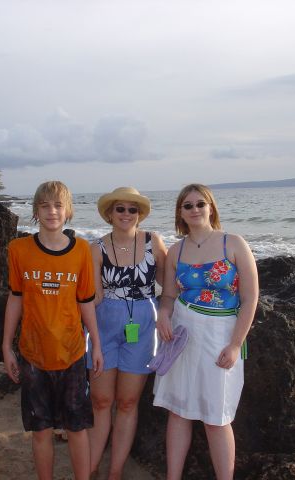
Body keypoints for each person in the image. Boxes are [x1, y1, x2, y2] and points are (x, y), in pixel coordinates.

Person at [153, 183, 259, 480]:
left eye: (200, 203)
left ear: (211, 207)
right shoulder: (176, 251)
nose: (195, 209)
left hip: (220, 336)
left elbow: (250, 298)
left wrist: (235, 344)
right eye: (187, 205)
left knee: (216, 416)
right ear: (180, 213)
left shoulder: (233, 243)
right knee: (178, 411)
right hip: (182, 336)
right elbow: (169, 295)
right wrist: (163, 314)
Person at [2, 180, 103, 480]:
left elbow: (86, 302)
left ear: (68, 210)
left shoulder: (81, 250)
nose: (52, 211)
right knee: (41, 430)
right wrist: (6, 346)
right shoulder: (18, 249)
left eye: (58, 205)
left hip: (72, 353)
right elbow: (15, 298)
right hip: (33, 354)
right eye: (44, 206)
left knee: (77, 428)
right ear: (36, 211)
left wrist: (97, 345)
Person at [86, 186, 167, 479]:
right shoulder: (96, 248)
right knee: (101, 402)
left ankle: (115, 471)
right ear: (110, 213)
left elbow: (169, 283)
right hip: (104, 324)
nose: (126, 214)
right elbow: (93, 297)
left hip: (143, 325)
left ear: (140, 214)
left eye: (133, 209)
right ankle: (91, 467)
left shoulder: (152, 241)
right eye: (120, 208)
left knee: (128, 402)